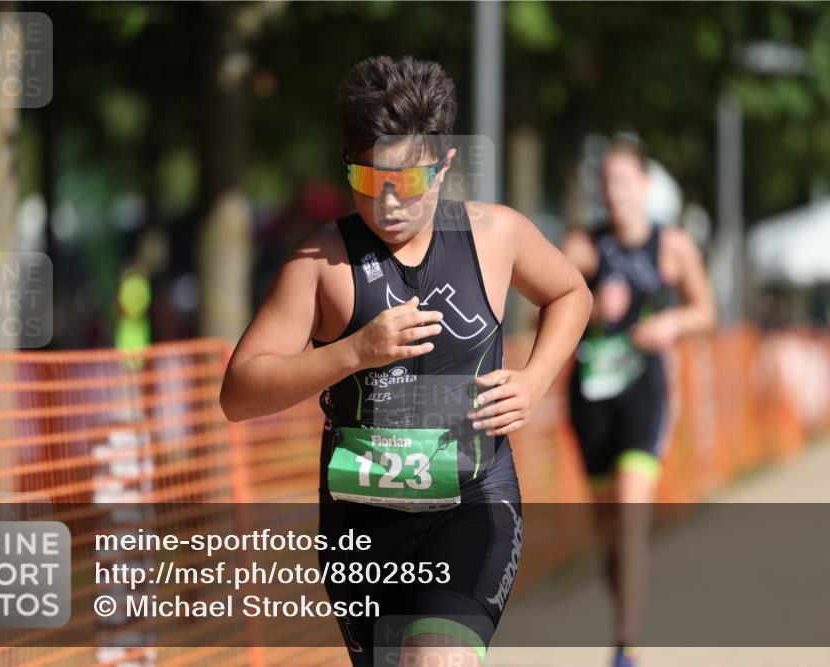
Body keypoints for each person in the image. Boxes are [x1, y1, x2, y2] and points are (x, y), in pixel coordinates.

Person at [221, 55, 591, 666]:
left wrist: (536, 379)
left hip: (473, 503)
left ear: (444, 165)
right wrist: (352, 352)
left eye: (409, 181)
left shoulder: (495, 237)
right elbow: (239, 393)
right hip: (361, 525)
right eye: (368, 180)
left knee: (437, 659)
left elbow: (571, 292)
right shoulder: (322, 263)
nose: (390, 203)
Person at [563, 135, 716, 667]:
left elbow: (706, 310)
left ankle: (626, 646)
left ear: (645, 186)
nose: (616, 192)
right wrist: (586, 306)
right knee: (609, 529)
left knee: (631, 517)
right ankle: (619, 569)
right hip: (590, 398)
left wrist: (671, 321)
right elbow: (546, 308)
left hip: (644, 391)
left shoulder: (672, 245)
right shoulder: (582, 246)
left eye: (625, 181)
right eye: (607, 183)